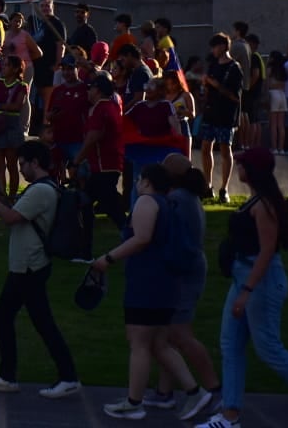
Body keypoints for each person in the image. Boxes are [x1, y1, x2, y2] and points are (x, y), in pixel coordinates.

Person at [199, 147, 288, 428]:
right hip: (244, 276)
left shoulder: (263, 205)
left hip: (261, 281)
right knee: (230, 344)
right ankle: (230, 415)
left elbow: (267, 251)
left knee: (269, 348)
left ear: (251, 169)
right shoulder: (257, 200)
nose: (237, 168)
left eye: (241, 164)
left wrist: (247, 291)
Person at [89, 164, 212, 420]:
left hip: (148, 283)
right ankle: (194, 391)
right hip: (165, 283)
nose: (136, 184)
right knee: (158, 344)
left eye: (138, 179)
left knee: (139, 342)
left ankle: (135, 402)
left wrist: (107, 259)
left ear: (146, 182)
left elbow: (141, 238)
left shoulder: (147, 202)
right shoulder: (169, 204)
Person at [0, 139, 81, 398]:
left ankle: (18, 376)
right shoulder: (46, 188)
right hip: (31, 263)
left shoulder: (40, 191)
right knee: (30, 320)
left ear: (35, 163)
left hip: (29, 265)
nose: (20, 169)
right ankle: (22, 375)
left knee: (16, 318)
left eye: (23, 164)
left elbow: (12, 218)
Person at [149, 153, 221, 412]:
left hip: (183, 273)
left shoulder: (176, 200)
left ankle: (214, 389)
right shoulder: (187, 198)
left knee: (180, 335)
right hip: (186, 269)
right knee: (166, 337)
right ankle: (164, 392)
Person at [79, 75, 128, 239]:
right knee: (89, 201)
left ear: (98, 90)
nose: (89, 91)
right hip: (110, 163)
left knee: (108, 204)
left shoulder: (101, 108)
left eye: (91, 88)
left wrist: (75, 161)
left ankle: (130, 234)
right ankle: (84, 244)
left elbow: (93, 137)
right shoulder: (113, 106)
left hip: (103, 164)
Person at [199, 33, 245, 203]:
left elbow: (236, 97)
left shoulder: (234, 68)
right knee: (205, 147)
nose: (213, 50)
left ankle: (224, 188)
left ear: (224, 47)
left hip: (226, 114)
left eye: (216, 46)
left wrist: (216, 85)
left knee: (225, 149)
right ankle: (207, 184)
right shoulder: (213, 65)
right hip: (211, 112)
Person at [0, 55, 29, 196]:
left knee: (12, 166)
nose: (3, 67)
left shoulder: (21, 86)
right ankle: (2, 195)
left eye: (6, 65)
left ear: (16, 69)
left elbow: (17, 106)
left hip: (11, 127)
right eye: (3, 65)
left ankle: (12, 196)